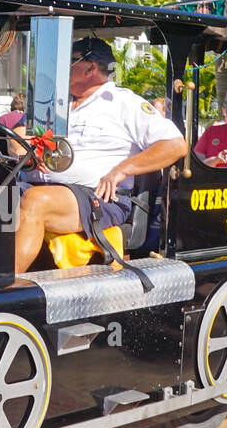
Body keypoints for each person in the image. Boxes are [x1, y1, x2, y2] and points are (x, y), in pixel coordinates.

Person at [13, 38, 187, 272]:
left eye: (67, 62)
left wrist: (121, 170)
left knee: (36, 201)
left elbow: (175, 145)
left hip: (99, 197)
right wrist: (28, 150)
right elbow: (16, 137)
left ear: (90, 68)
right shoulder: (52, 102)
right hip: (36, 185)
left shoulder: (124, 103)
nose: (59, 68)